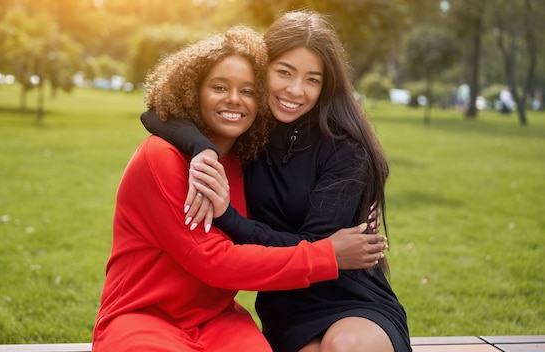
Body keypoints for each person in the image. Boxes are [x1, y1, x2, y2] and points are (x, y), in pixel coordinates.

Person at [92, 25, 387, 352]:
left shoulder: (246, 155)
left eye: (247, 91)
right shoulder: (162, 157)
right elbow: (212, 260)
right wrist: (327, 254)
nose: (235, 99)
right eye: (219, 86)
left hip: (217, 318)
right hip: (144, 315)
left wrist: (355, 199)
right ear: (192, 91)